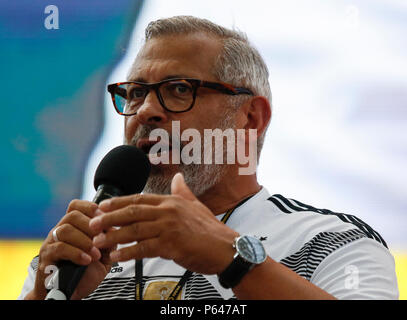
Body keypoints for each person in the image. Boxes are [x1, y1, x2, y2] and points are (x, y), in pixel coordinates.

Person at [19, 15, 398, 300]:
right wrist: (45, 294)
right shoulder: (73, 257)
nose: (146, 110)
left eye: (179, 89)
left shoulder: (334, 243)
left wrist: (232, 260)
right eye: (134, 92)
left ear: (250, 117)